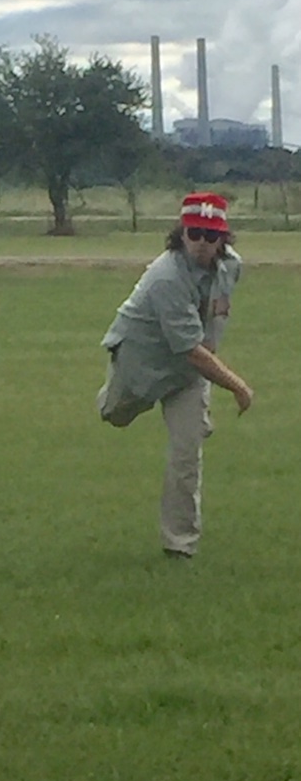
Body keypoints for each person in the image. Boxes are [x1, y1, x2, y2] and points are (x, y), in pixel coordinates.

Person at [97, 192, 254, 558]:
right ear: (181, 233)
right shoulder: (165, 276)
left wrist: (208, 379)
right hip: (142, 357)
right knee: (115, 415)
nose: (201, 242)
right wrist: (237, 386)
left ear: (223, 237)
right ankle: (108, 397)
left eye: (210, 235)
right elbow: (189, 348)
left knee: (187, 455)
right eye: (194, 232)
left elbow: (212, 322)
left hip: (188, 368)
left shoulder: (232, 266)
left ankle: (179, 544)